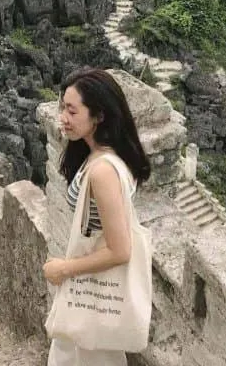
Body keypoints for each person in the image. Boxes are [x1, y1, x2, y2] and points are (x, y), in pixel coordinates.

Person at [44, 68, 151, 366]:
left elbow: (120, 249)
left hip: (92, 291)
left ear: (99, 116)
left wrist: (63, 269)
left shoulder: (103, 171)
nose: (63, 117)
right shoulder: (107, 156)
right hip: (92, 292)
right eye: (62, 107)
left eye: (72, 110)